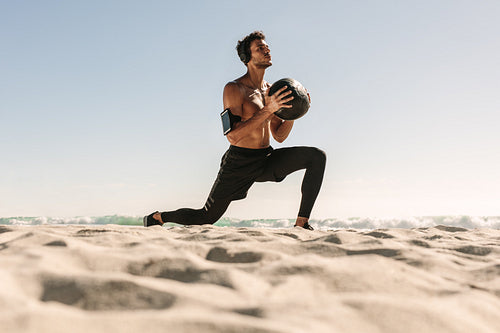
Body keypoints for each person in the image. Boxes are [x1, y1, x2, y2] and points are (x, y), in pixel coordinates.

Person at [144, 31, 326, 230]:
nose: (267, 50)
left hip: (265, 158)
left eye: (267, 46)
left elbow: (279, 136)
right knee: (206, 217)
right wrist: (268, 109)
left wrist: (295, 112)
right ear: (247, 58)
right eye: (260, 48)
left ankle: (301, 224)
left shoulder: (271, 91)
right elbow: (233, 136)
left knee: (316, 157)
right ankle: (158, 217)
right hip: (239, 162)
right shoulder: (234, 89)